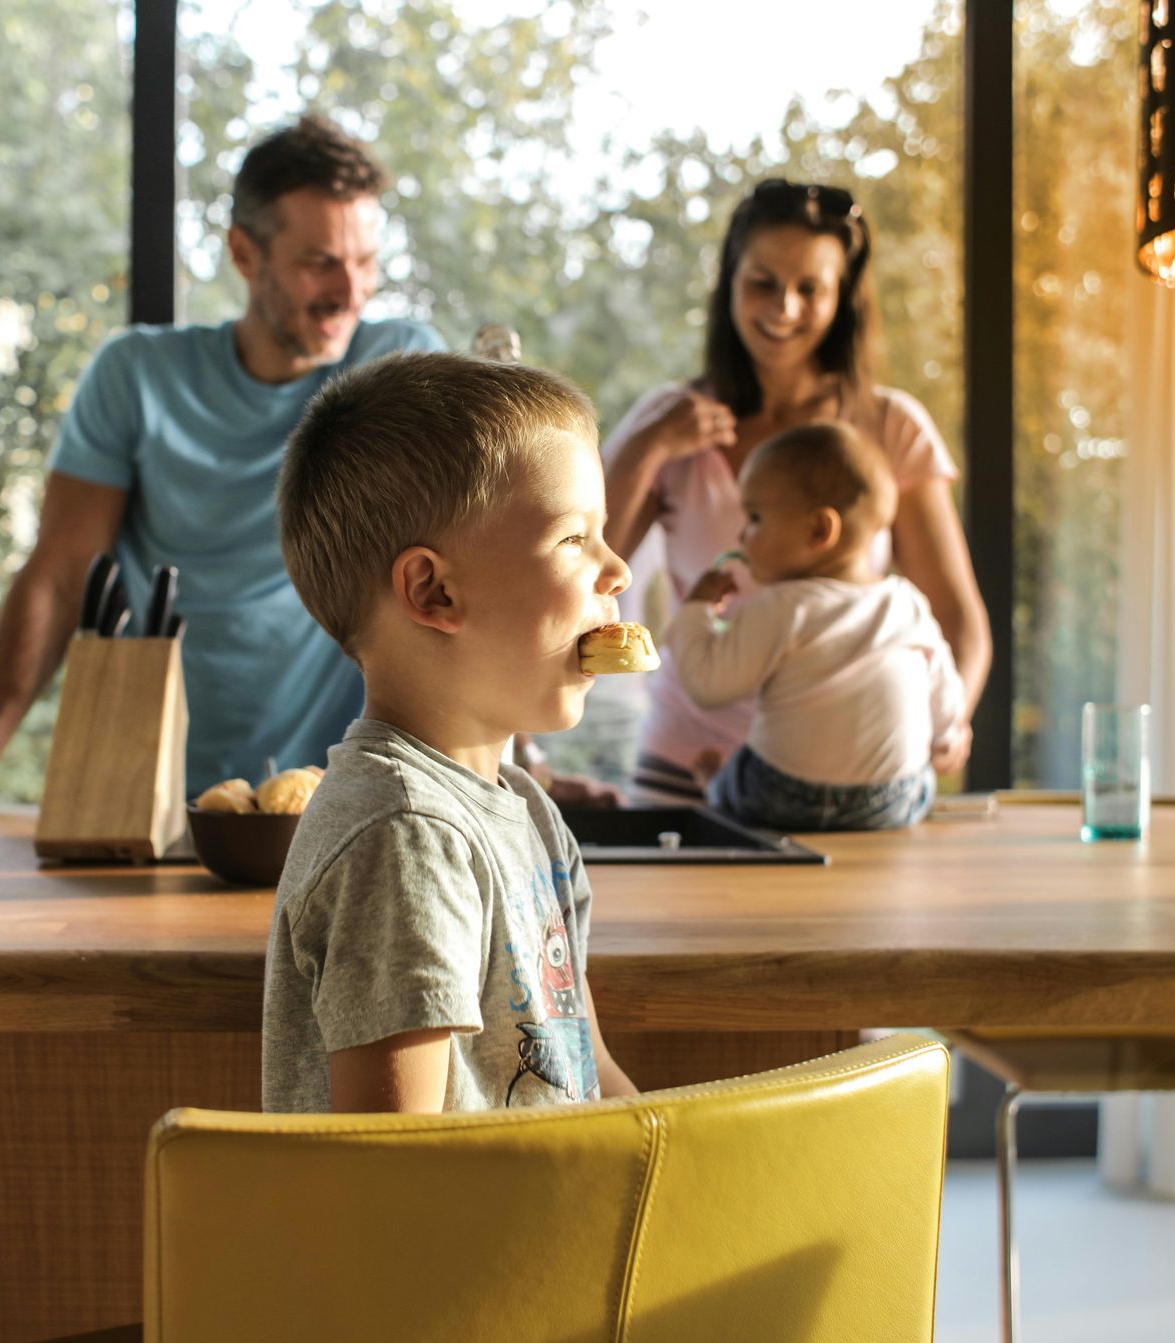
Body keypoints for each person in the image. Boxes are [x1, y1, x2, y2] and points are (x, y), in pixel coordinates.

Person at [0, 115, 445, 819]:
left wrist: (528, 765)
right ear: (245, 254)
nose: (349, 288)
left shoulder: (398, 367)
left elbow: (466, 572)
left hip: (347, 804)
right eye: (319, 262)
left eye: (365, 261)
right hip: (148, 795)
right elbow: (61, 579)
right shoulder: (137, 375)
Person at [262, 352, 639, 1113]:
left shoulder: (528, 812)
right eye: (575, 539)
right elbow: (401, 1180)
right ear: (434, 591)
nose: (618, 569)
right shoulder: (405, 836)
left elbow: (587, 1073)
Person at [601, 179, 989, 798]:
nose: (783, 308)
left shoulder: (892, 428)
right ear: (730, 281)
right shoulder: (670, 423)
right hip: (685, 765)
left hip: (844, 781)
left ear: (842, 300)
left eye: (810, 289)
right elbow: (586, 572)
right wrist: (646, 447)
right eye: (762, 282)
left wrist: (949, 721)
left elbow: (957, 619)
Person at [667, 422, 964, 832]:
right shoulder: (907, 603)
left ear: (819, 530)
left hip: (781, 795)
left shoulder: (783, 607)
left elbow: (707, 684)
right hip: (892, 799)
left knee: (733, 782)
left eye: (754, 517)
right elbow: (944, 686)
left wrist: (696, 611)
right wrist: (946, 735)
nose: (741, 535)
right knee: (923, 780)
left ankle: (717, 785)